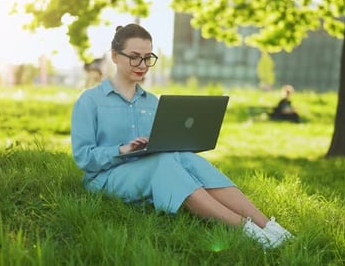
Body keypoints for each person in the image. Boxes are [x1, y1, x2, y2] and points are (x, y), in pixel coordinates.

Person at [70, 23, 293, 249]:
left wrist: (177, 141)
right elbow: (83, 157)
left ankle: (270, 227)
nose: (143, 65)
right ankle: (249, 232)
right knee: (164, 162)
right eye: (135, 57)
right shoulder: (90, 101)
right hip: (107, 177)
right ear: (115, 56)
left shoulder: (152, 102)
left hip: (151, 168)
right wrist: (122, 149)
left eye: (148, 58)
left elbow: (161, 143)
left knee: (187, 157)